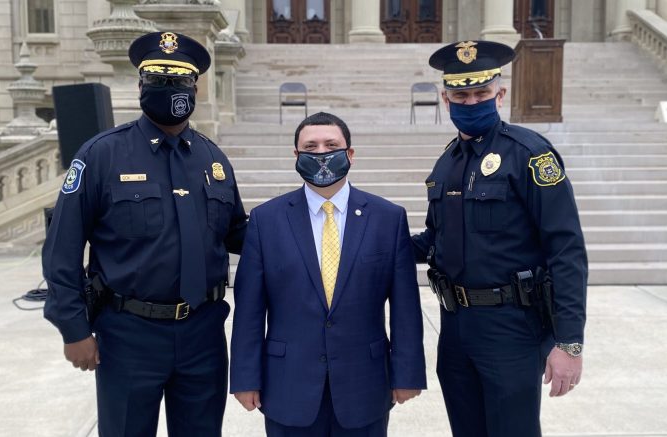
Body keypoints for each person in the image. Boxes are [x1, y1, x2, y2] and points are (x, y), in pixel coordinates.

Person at [42, 31, 247, 437]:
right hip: (129, 334)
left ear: (196, 87)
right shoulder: (101, 155)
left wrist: (301, 228)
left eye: (181, 81)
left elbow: (237, 232)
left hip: (203, 332)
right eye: (159, 80)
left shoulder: (213, 158)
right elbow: (62, 248)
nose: (171, 89)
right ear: (140, 86)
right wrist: (73, 328)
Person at [412, 40, 588, 436]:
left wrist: (569, 342)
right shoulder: (447, 161)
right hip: (454, 328)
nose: (471, 102)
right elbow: (433, 240)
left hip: (511, 327)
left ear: (500, 93)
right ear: (446, 98)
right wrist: (367, 238)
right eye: (461, 94)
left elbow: (566, 249)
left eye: (481, 93)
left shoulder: (530, 154)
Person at [230, 112, 427, 437]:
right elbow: (249, 309)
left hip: (365, 385)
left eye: (331, 145)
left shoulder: (388, 218)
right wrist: (245, 378)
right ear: (296, 156)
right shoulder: (266, 220)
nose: (321, 153)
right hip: (287, 385)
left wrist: (407, 374)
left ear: (350, 153)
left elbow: (405, 306)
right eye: (311, 146)